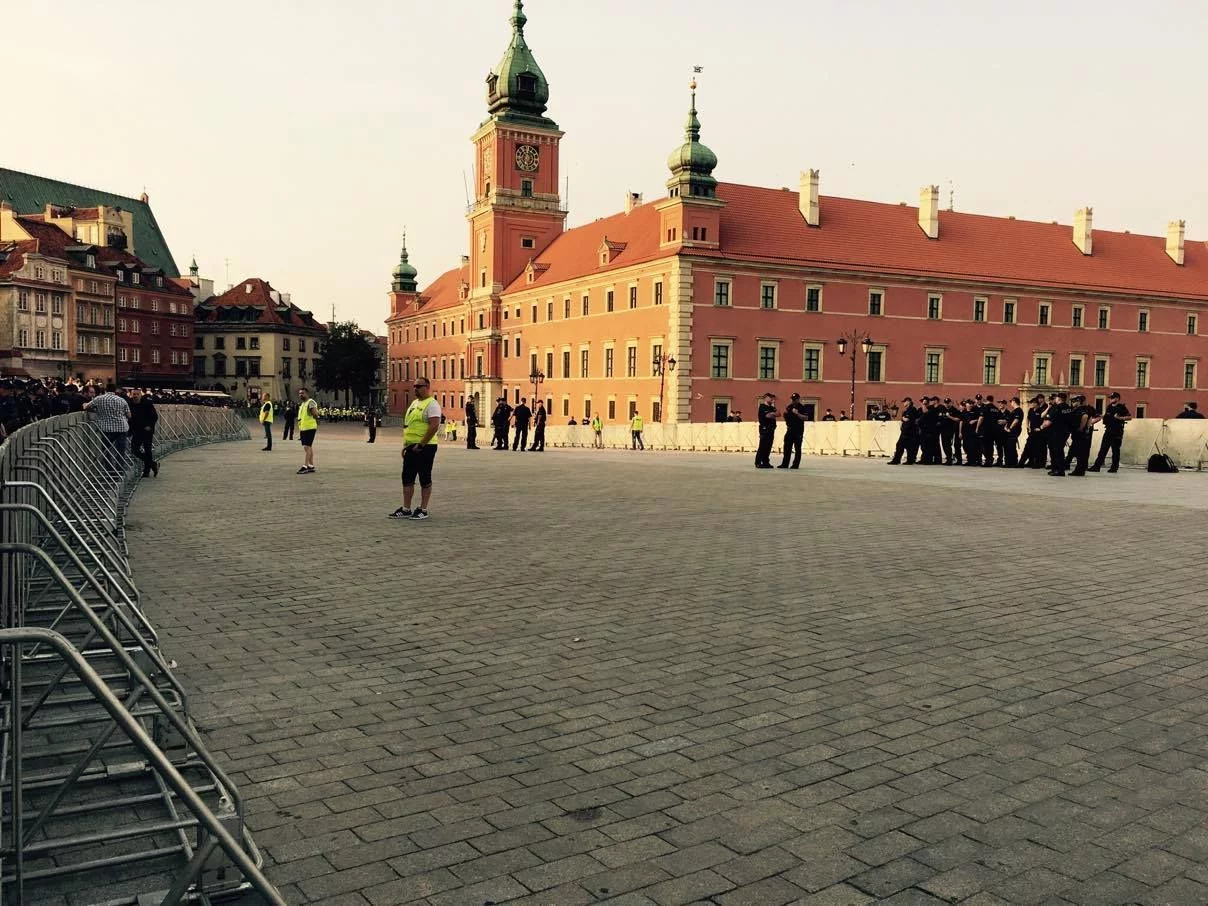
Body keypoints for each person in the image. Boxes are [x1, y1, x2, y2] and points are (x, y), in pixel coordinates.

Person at [390, 377, 442, 521]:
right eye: (414, 386)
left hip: (425, 447)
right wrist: (406, 446)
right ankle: (406, 508)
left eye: (419, 386)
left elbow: (434, 426)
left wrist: (421, 444)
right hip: (411, 446)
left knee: (424, 477)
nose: (416, 389)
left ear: (427, 387)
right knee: (407, 478)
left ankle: (423, 509)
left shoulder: (432, 404)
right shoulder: (414, 403)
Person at [84, 387, 132, 466]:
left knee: (107, 450)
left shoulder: (99, 399)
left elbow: (86, 407)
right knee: (120, 451)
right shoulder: (121, 400)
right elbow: (129, 415)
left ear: (105, 391)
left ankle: (109, 469)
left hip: (106, 429)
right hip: (122, 428)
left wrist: (97, 411)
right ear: (115, 391)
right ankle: (119, 470)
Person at [1089, 392, 1130, 473]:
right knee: (1103, 449)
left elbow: (1129, 417)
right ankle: (1097, 466)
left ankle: (1114, 468)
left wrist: (1119, 418)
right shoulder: (1109, 407)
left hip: (1117, 431)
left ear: (1117, 398)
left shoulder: (1122, 407)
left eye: (1112, 398)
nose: (1111, 399)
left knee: (1115, 450)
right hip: (1108, 430)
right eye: (1110, 398)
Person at [128, 389, 160, 478]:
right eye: (134, 394)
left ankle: (146, 471)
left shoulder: (147, 404)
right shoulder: (129, 404)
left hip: (147, 430)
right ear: (131, 395)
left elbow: (154, 416)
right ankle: (153, 464)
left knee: (147, 449)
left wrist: (149, 425)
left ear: (140, 395)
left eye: (137, 394)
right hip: (137, 430)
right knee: (134, 449)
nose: (135, 396)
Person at [1064, 394, 1096, 476]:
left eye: (1075, 401)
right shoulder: (1077, 409)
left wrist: (1082, 427)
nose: (1074, 403)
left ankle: (1079, 470)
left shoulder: (1082, 409)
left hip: (1080, 434)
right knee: (1077, 451)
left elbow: (1085, 417)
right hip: (1077, 433)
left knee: (1081, 452)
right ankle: (1078, 469)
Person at [1044, 392, 1073, 476]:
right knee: (1060, 451)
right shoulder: (1068, 408)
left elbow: (1049, 421)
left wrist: (1041, 427)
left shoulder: (1056, 408)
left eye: (1056, 398)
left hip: (1055, 432)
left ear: (1059, 399)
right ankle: (1058, 469)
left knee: (1054, 451)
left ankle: (1057, 469)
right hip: (1064, 432)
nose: (1055, 399)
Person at [1018, 395, 1048, 469]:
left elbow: (1045, 420)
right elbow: (1028, 418)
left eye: (1032, 403)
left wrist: (1040, 428)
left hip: (1039, 433)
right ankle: (1021, 463)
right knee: (1028, 447)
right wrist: (1027, 426)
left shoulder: (1040, 411)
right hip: (1031, 432)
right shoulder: (1030, 410)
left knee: (1038, 448)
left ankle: (1037, 464)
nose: (1031, 404)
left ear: (1036, 404)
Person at [887, 397, 920, 465]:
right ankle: (902, 460)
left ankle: (903, 460)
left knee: (905, 446)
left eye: (904, 402)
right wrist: (904, 418)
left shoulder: (912, 410)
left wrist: (904, 418)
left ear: (908, 402)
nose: (903, 403)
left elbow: (909, 420)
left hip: (909, 431)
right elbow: (904, 419)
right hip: (905, 431)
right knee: (902, 445)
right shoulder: (907, 410)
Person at [778, 392, 807, 469]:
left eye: (795, 399)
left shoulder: (802, 407)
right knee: (787, 447)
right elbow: (787, 416)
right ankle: (785, 464)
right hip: (790, 429)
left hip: (798, 430)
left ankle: (795, 464)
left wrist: (797, 414)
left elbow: (806, 417)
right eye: (792, 399)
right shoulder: (789, 407)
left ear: (798, 399)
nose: (793, 401)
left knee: (797, 448)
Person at [296, 387, 319, 474]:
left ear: (307, 394)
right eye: (299, 393)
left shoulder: (310, 402)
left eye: (302, 393)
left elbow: (315, 413)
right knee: (307, 447)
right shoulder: (303, 404)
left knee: (307, 446)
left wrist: (316, 418)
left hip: (310, 427)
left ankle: (305, 466)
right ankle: (311, 465)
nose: (300, 395)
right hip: (304, 427)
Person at [754, 392, 777, 468]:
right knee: (763, 446)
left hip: (771, 428)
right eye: (770, 398)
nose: (772, 399)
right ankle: (758, 462)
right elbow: (767, 415)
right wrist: (773, 414)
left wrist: (773, 413)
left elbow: (779, 414)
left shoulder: (772, 407)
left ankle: (766, 462)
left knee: (769, 446)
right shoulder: (762, 407)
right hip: (764, 428)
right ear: (766, 398)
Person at [1004, 397, 1024, 468]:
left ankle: (1012, 462)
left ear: (1014, 401)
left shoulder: (1019, 410)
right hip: (1009, 430)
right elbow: (1009, 420)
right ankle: (1010, 462)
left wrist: (1010, 428)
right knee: (1009, 446)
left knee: (1011, 446)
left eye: (1011, 401)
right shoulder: (1014, 411)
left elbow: (1016, 420)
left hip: (1014, 430)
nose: (1011, 403)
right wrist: (1006, 427)